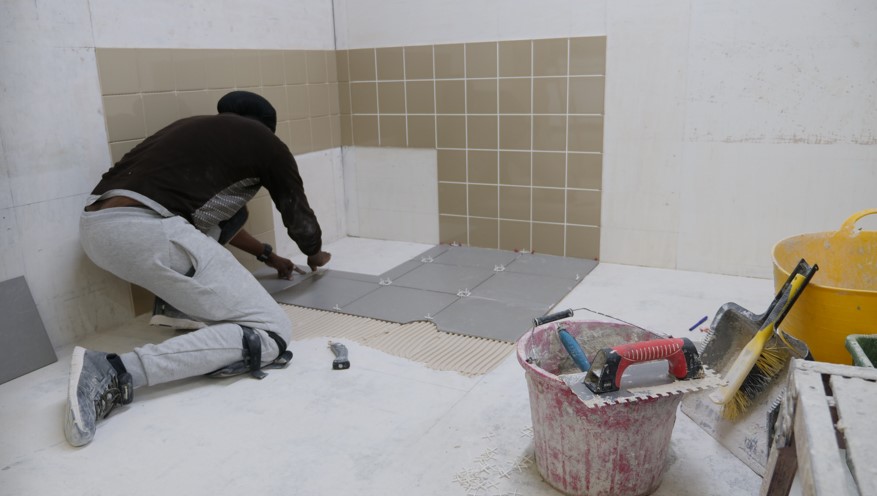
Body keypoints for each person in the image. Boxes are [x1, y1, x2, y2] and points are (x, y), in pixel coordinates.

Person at [66, 91, 331, 447]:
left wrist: (269, 256)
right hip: (146, 234)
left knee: (234, 211)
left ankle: (176, 305)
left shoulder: (185, 130)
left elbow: (211, 218)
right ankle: (115, 371)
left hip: (96, 229)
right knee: (272, 332)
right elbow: (299, 218)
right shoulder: (268, 145)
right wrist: (313, 254)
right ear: (268, 127)